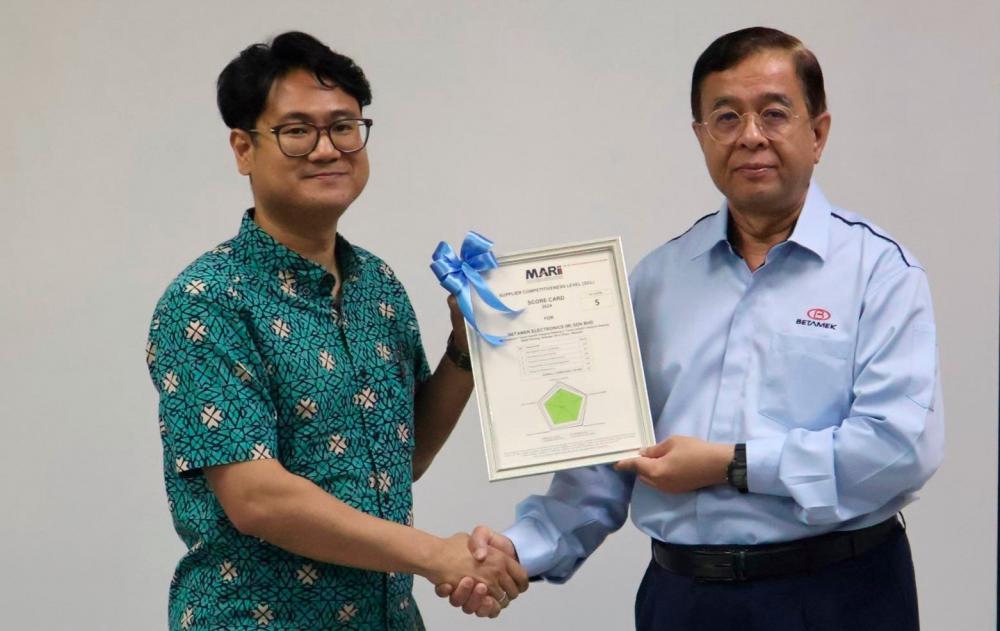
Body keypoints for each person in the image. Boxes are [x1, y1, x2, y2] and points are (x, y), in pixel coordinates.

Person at [440, 26, 943, 630]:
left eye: (774, 113)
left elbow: (897, 449)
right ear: (702, 138)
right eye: (726, 117)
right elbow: (602, 468)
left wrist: (732, 463)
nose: (751, 136)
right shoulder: (654, 283)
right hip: (684, 601)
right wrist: (515, 551)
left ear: (819, 133)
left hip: (840, 595)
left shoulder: (881, 274)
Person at [145, 31, 526, 630]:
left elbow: (403, 456)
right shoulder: (207, 301)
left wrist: (465, 345)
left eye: (344, 126)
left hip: (388, 617)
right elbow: (258, 498)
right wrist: (436, 556)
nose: (328, 148)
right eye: (297, 131)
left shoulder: (378, 284)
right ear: (244, 149)